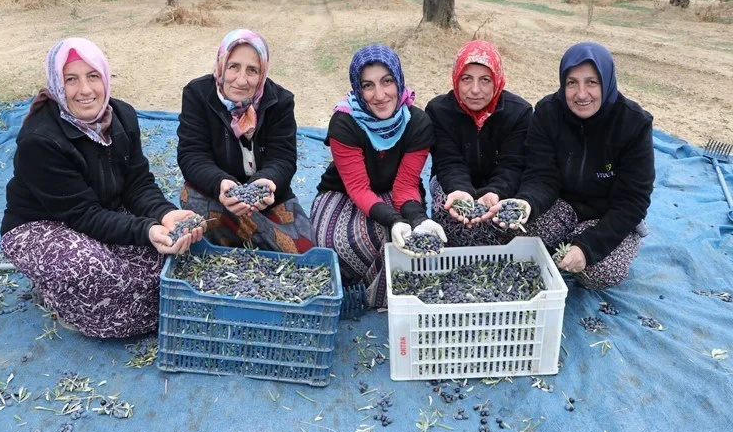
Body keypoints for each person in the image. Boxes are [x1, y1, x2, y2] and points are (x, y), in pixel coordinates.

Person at [0, 38, 203, 338]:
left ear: (105, 77)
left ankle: (79, 283)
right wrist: (146, 230)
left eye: (92, 76)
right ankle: (54, 292)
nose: (85, 90)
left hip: (100, 210)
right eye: (71, 80)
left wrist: (165, 215)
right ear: (57, 84)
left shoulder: (122, 117)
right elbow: (82, 215)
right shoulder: (40, 140)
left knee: (173, 258)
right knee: (98, 275)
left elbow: (137, 183)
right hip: (41, 226)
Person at [491, 42, 654, 289]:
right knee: (517, 240)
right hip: (562, 205)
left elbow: (633, 201)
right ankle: (564, 239)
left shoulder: (633, 123)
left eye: (592, 82)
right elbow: (541, 176)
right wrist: (527, 203)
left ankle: (587, 242)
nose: (581, 94)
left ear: (607, 82)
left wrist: (587, 248)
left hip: (608, 214)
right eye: (572, 83)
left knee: (599, 272)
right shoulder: (547, 113)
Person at [311, 44, 446, 308]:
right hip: (343, 192)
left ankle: (375, 294)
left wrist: (417, 219)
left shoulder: (417, 123)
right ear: (358, 89)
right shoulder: (345, 122)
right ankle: (355, 284)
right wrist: (395, 220)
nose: (380, 95)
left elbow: (405, 186)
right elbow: (358, 188)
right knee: (332, 240)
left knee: (399, 239)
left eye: (387, 82)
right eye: (368, 85)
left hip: (395, 191)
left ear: (398, 80)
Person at [177, 29, 314, 254]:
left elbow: (283, 159)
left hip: (270, 199)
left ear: (263, 72)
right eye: (233, 67)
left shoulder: (280, 102)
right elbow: (192, 155)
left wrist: (266, 183)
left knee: (305, 250)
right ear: (221, 65)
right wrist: (221, 184)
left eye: (252, 70)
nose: (241, 80)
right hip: (217, 197)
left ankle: (242, 238)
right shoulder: (198, 94)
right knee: (193, 200)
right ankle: (257, 240)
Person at [426, 40, 532, 247]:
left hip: (501, 186)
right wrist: (460, 189)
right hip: (454, 184)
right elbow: (448, 161)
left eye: (485, 80)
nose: (475, 90)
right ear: (456, 79)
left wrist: (495, 192)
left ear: (497, 80)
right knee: (448, 213)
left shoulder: (519, 113)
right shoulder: (438, 111)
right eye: (466, 79)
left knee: (503, 225)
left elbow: (512, 165)